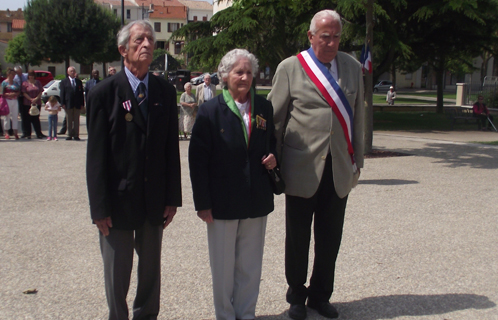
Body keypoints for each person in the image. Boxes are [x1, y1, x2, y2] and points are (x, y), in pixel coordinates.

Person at [268, 10, 364, 320]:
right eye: (325, 36)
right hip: (301, 168)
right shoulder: (290, 68)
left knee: (330, 238)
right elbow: (276, 120)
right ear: (311, 37)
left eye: (336, 36)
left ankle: (321, 295)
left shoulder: (351, 67)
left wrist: (357, 161)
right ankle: (296, 294)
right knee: (297, 237)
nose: (332, 42)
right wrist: (275, 166)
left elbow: (358, 118)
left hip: (337, 169)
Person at [86, 20, 182, 320]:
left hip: (153, 200)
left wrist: (172, 198)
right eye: (139, 40)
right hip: (117, 202)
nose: (147, 44)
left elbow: (170, 149)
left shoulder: (164, 91)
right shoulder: (104, 93)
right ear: (123, 49)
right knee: (117, 274)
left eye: (151, 40)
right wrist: (98, 207)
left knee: (151, 271)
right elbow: (96, 156)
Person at [189, 48, 277, 320]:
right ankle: (226, 315)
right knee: (224, 267)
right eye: (239, 72)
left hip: (256, 198)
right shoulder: (209, 111)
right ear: (225, 76)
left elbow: (271, 143)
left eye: (249, 72)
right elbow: (197, 162)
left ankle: (246, 313)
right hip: (222, 202)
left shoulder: (264, 107)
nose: (245, 77)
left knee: (250, 266)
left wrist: (274, 158)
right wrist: (203, 204)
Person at [60, 66, 84, 140]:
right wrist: (62, 103)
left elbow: (81, 94)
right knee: (69, 120)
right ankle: (69, 135)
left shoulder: (78, 82)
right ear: (68, 72)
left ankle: (76, 135)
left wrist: (82, 104)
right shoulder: (64, 82)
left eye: (74, 71)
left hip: (77, 104)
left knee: (76, 120)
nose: (73, 72)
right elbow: (62, 93)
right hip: (68, 103)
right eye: (71, 71)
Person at [22, 70, 46, 139]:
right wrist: (30, 99)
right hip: (27, 103)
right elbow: (24, 93)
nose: (31, 76)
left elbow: (40, 91)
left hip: (37, 103)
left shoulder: (38, 82)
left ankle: (39, 133)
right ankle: (28, 134)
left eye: (32, 75)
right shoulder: (25, 83)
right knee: (28, 119)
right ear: (28, 76)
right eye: (30, 75)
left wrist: (36, 99)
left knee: (36, 118)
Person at [1, 68, 21, 140]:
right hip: (7, 100)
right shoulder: (4, 82)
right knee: (7, 116)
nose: (13, 75)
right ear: (8, 74)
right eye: (12, 74)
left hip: (15, 100)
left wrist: (15, 93)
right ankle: (7, 132)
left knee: (15, 116)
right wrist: (8, 94)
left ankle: (15, 132)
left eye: (14, 74)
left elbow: (19, 91)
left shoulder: (15, 82)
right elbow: (1, 93)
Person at [14, 66, 29, 138]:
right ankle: (24, 132)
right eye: (17, 72)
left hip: (26, 96)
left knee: (28, 115)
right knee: (22, 115)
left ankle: (29, 131)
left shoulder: (26, 76)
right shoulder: (15, 78)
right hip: (19, 97)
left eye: (19, 71)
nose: (18, 73)